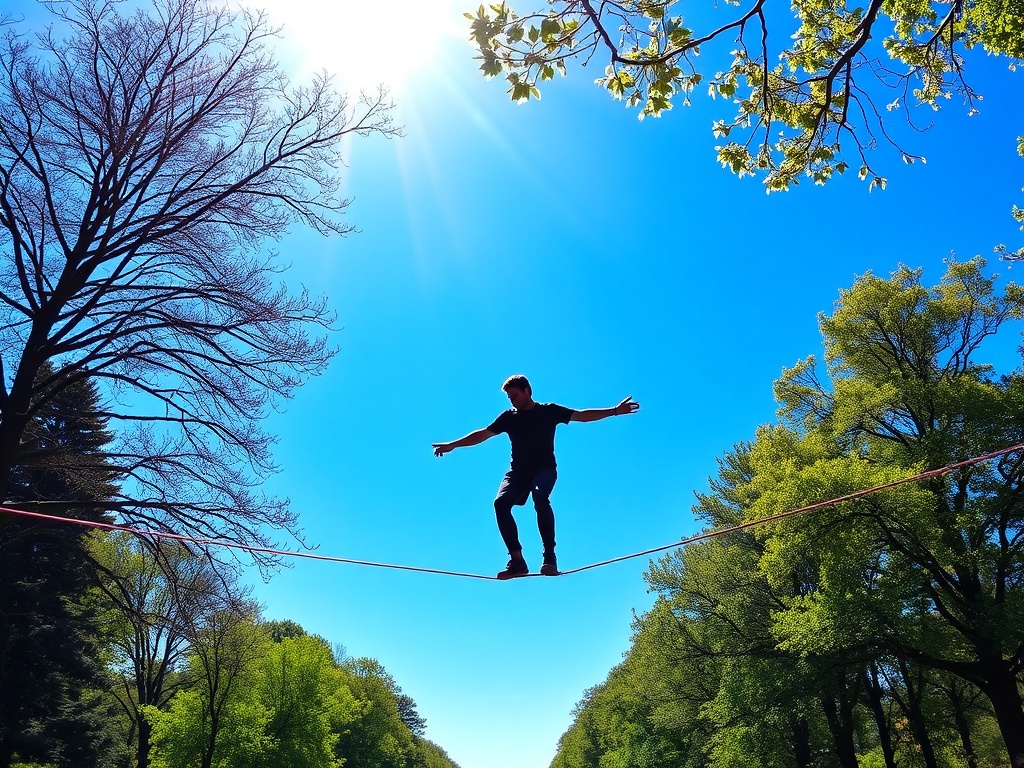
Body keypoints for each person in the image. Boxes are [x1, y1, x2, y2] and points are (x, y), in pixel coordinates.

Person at [432, 375, 640, 580]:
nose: (512, 400)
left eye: (514, 395)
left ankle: (549, 556)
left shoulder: (549, 411)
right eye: (509, 398)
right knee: (500, 503)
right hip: (518, 473)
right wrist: (453, 445)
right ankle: (517, 562)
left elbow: (582, 415)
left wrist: (614, 411)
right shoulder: (509, 417)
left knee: (540, 497)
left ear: (527, 391)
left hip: (544, 470)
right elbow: (483, 434)